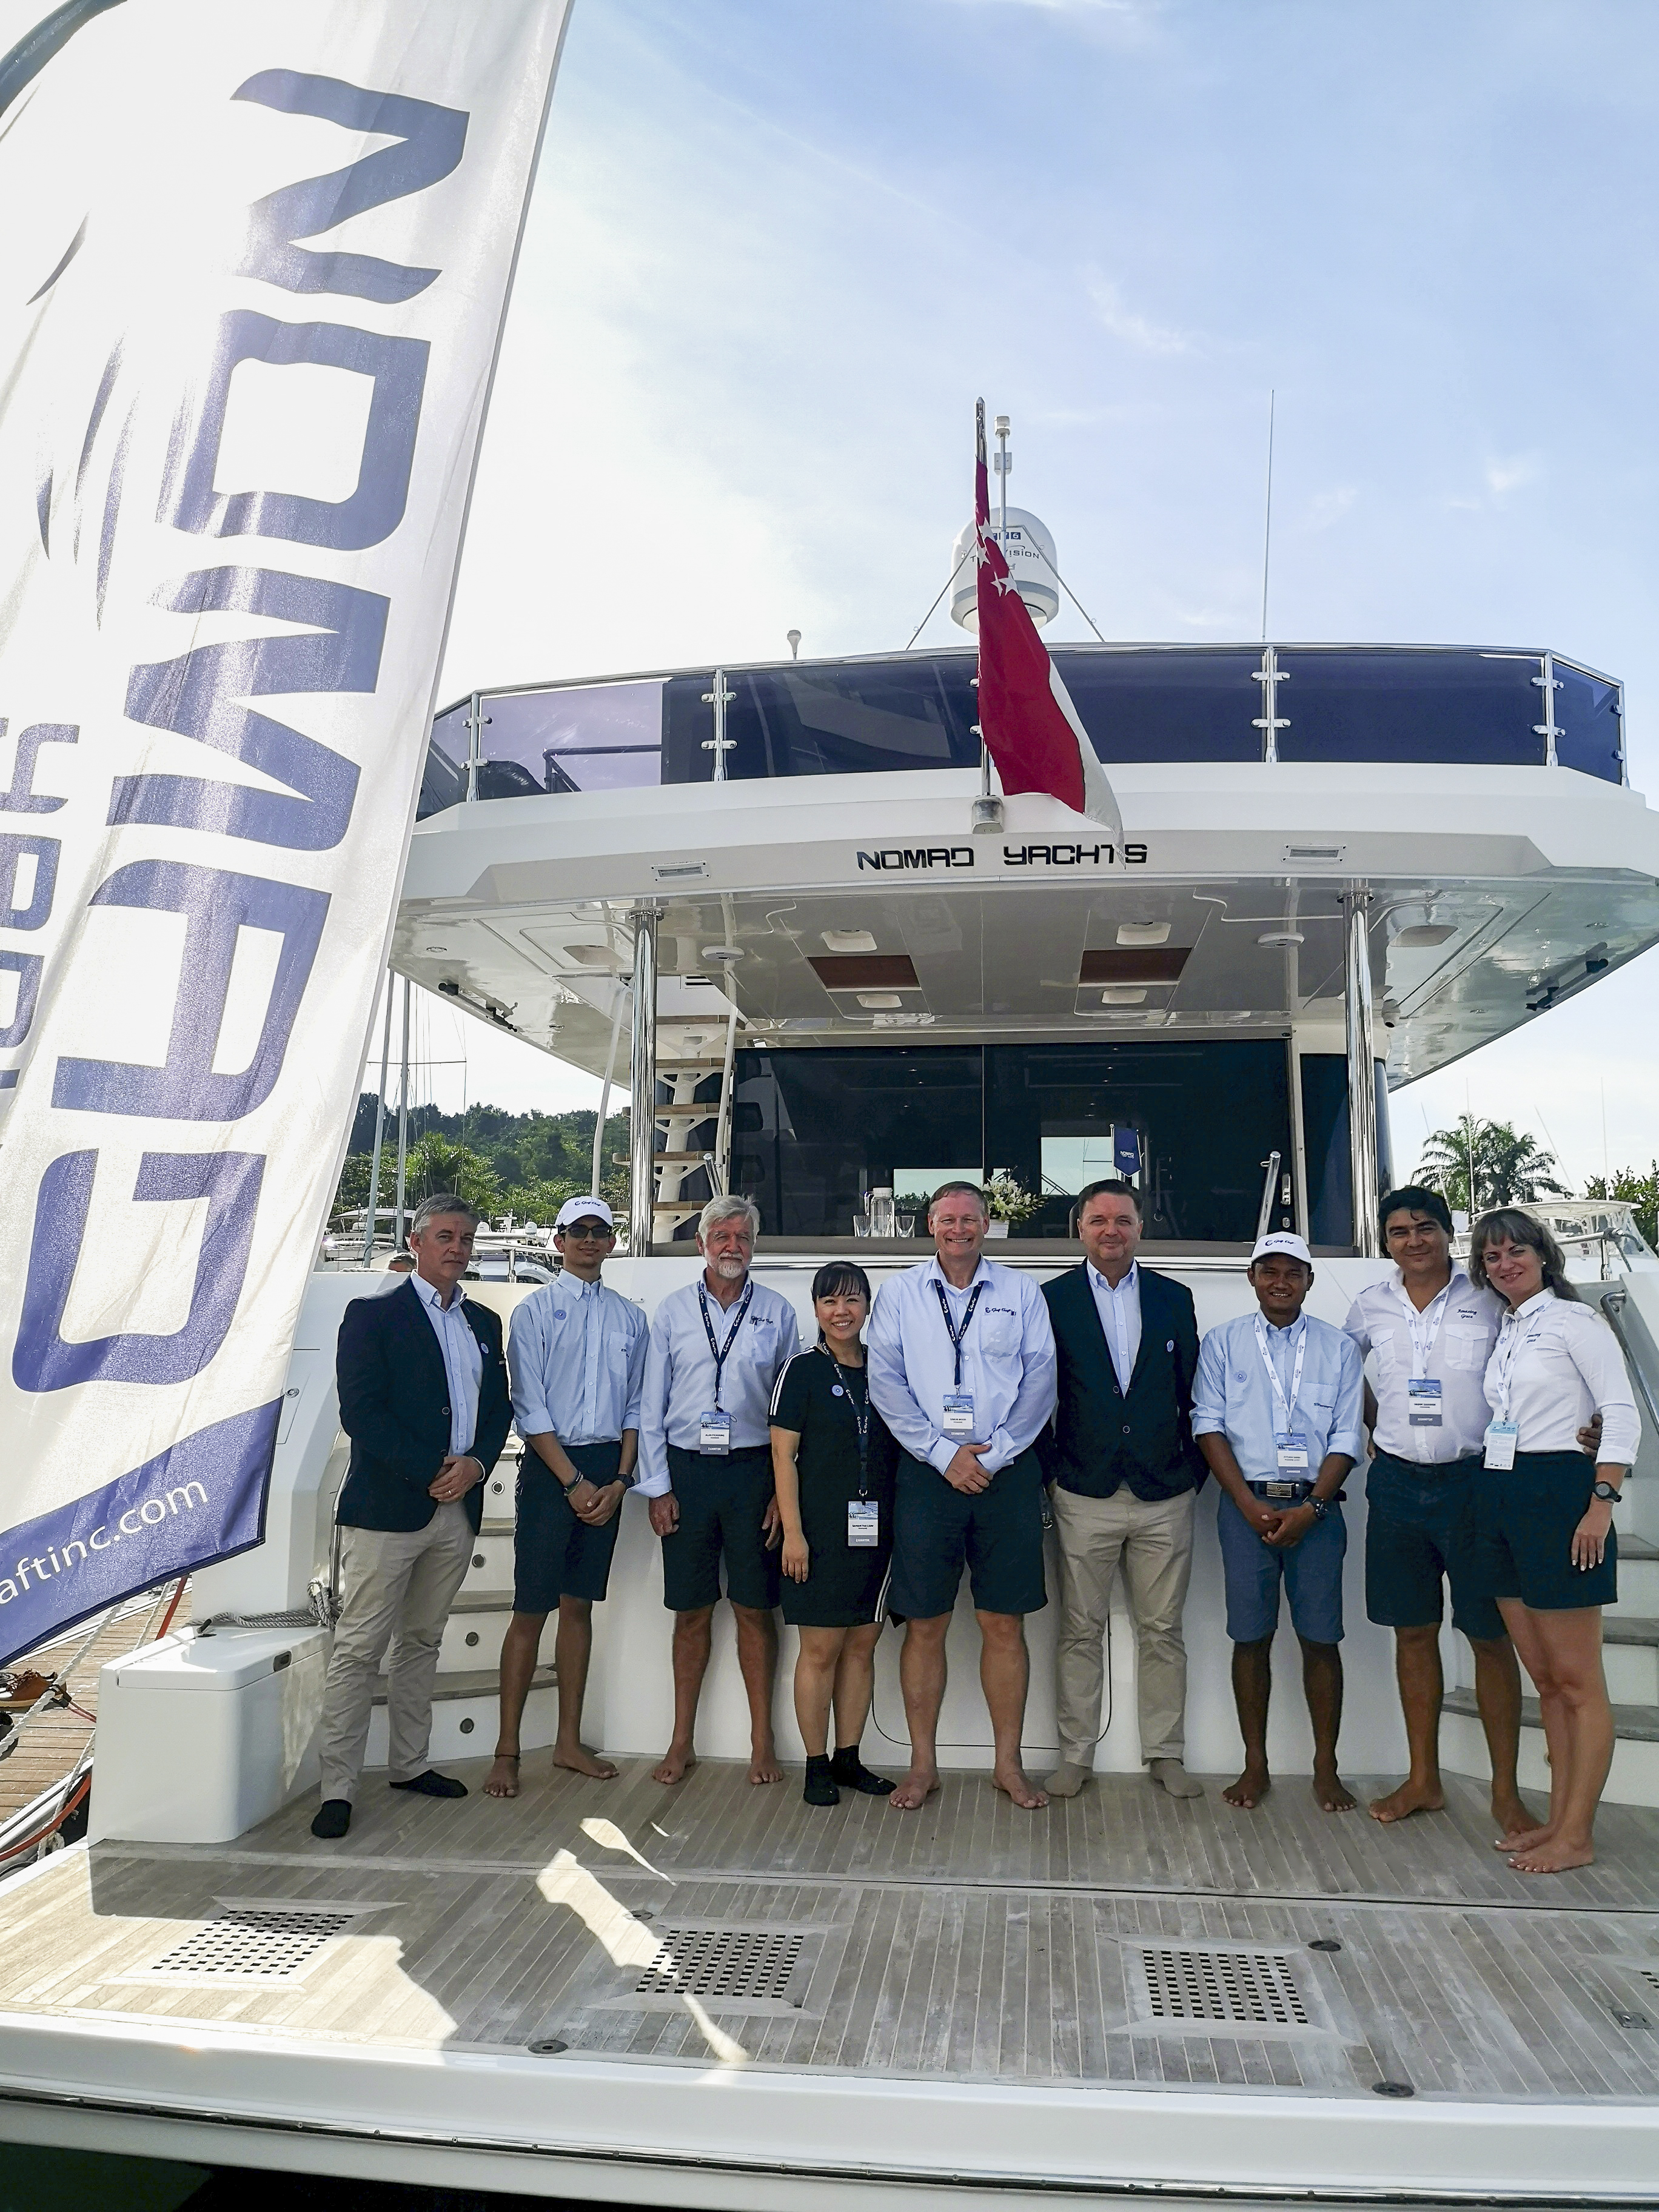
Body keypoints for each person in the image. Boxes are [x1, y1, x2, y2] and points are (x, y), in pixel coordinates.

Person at [312, 1195, 512, 1841]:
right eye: (446, 1236)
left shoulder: (484, 1321)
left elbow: (497, 1410)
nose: (458, 1247)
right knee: (359, 1649)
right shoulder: (372, 1317)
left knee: (423, 1641)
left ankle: (409, 1765)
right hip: (389, 1509)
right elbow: (362, 1414)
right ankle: (337, 1789)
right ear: (417, 1242)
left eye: (466, 1238)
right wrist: (434, 1468)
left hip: (458, 1508)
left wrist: (478, 1465)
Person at [866, 1180, 1058, 1813]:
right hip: (928, 1474)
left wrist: (995, 1454)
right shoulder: (897, 1295)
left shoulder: (1020, 1292)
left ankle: (1009, 1765)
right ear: (930, 1224)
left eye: (969, 1219)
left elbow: (1040, 1382)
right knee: (925, 1625)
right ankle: (923, 1767)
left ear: (985, 1225)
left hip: (1005, 1473)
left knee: (1004, 1623)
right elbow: (887, 1383)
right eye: (947, 1219)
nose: (958, 1229)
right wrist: (943, 1454)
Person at [1344, 1185, 1528, 1834]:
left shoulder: (1492, 1299)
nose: (1413, 1241)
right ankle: (1425, 1780)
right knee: (1413, 1632)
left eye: (1425, 1228)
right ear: (1386, 1241)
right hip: (1395, 1484)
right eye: (1398, 1231)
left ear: (1449, 1233)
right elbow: (1348, 1375)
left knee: (1488, 1634)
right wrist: (1375, 1423)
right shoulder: (1370, 1307)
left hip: (1477, 1483)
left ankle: (1506, 1792)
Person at [1467, 1207, 1639, 1874]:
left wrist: (1600, 1504)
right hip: (1502, 1489)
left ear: (1543, 1254)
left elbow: (1620, 1413)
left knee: (1578, 1680)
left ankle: (1578, 1834)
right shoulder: (1508, 1330)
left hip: (1561, 1493)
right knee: (1545, 1679)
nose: (1504, 1263)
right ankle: (1560, 1820)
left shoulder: (1576, 1322)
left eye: (1515, 1251)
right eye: (1490, 1257)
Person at [1039, 1179, 1206, 1801]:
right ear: (1078, 1228)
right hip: (1084, 1490)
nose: (1111, 1230)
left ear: (1141, 1227)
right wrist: (1053, 1471)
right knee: (1079, 1632)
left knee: (1163, 1631)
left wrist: (1192, 1473)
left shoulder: (1172, 1297)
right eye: (1099, 1220)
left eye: (1123, 1220)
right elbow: (1037, 1394)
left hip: (1165, 1494)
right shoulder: (1050, 1300)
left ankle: (1166, 1753)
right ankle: (1075, 1754)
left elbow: (1194, 1392)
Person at [1192, 1230, 1364, 1814]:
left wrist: (1313, 1506)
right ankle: (1255, 1765)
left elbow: (1346, 1434)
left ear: (1310, 1280)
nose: (1281, 1281)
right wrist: (1243, 1502)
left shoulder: (1339, 1349)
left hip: (1318, 1511)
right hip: (1246, 1508)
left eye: (1293, 1271)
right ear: (1252, 1278)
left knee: (1321, 1639)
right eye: (1269, 1270)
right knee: (1250, 1637)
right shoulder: (1223, 1343)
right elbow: (1208, 1424)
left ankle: (1326, 1767)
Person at [484, 1197, 648, 1800]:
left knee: (579, 1609)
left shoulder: (632, 1319)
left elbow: (636, 1407)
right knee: (531, 1610)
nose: (588, 1240)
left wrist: (622, 1480)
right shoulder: (533, 1313)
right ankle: (507, 1750)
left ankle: (568, 1741)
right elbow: (529, 1408)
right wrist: (575, 1483)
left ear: (611, 1242)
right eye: (577, 1231)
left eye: (599, 1231)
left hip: (608, 1470)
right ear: (557, 1241)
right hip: (555, 1470)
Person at [637, 1195, 800, 1786]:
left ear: (755, 1245)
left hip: (755, 1474)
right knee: (691, 1613)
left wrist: (784, 1495)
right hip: (687, 1475)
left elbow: (788, 1415)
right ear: (701, 1242)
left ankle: (763, 1741)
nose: (733, 1246)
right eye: (722, 1236)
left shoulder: (779, 1313)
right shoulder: (673, 1312)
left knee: (756, 1611)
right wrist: (657, 1487)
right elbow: (650, 1406)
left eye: (744, 1236)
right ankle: (681, 1740)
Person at [771, 1262, 899, 1806]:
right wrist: (794, 1535)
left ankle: (849, 1758)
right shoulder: (800, 1370)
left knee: (862, 1648)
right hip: (819, 1532)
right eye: (830, 1302)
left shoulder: (888, 1369)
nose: (841, 1312)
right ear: (816, 1308)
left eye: (851, 1300)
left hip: (877, 1532)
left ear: (867, 1307)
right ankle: (816, 1763)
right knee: (820, 1650)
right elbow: (783, 1456)